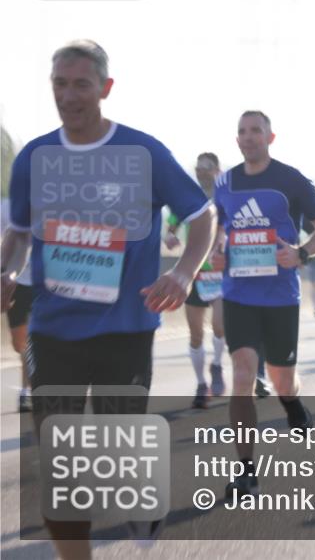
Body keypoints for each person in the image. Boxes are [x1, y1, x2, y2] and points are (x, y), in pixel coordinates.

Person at [0, 39, 216, 558]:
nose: (69, 96)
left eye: (81, 84)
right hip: (54, 332)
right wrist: (6, 270)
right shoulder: (35, 157)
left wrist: (184, 274)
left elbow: (203, 217)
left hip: (125, 330)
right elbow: (19, 233)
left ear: (105, 88)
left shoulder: (140, 153)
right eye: (59, 83)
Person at [211, 110, 315, 499]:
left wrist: (301, 254)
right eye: (242, 132)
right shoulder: (224, 182)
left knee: (282, 377)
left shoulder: (290, 180)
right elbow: (218, 232)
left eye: (256, 131)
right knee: (244, 373)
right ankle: (246, 470)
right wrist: (216, 253)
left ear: (270, 137)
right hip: (238, 294)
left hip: (281, 296)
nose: (248, 138)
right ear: (236, 140)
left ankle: (292, 401)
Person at [164, 152, 228, 408]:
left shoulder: (226, 197)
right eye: (198, 167)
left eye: (207, 168)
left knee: (220, 326)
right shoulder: (189, 195)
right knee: (195, 333)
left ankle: (216, 366)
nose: (202, 172)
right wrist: (170, 236)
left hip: (220, 272)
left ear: (217, 170)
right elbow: (172, 224)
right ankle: (201, 384)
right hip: (194, 272)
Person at [4, 266, 33, 412]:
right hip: (17, 286)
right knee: (20, 345)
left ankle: (25, 392)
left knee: (34, 343)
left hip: (43, 286)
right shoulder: (18, 241)